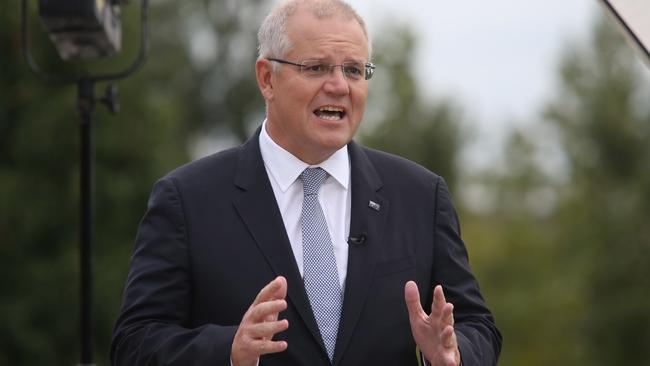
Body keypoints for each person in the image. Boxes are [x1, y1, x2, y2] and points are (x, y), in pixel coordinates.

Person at [111, 0, 502, 365]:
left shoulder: (419, 195)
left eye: (353, 70)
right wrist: (228, 350)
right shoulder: (187, 199)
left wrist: (455, 354)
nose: (339, 86)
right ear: (267, 79)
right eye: (316, 67)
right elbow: (134, 341)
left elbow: (477, 326)